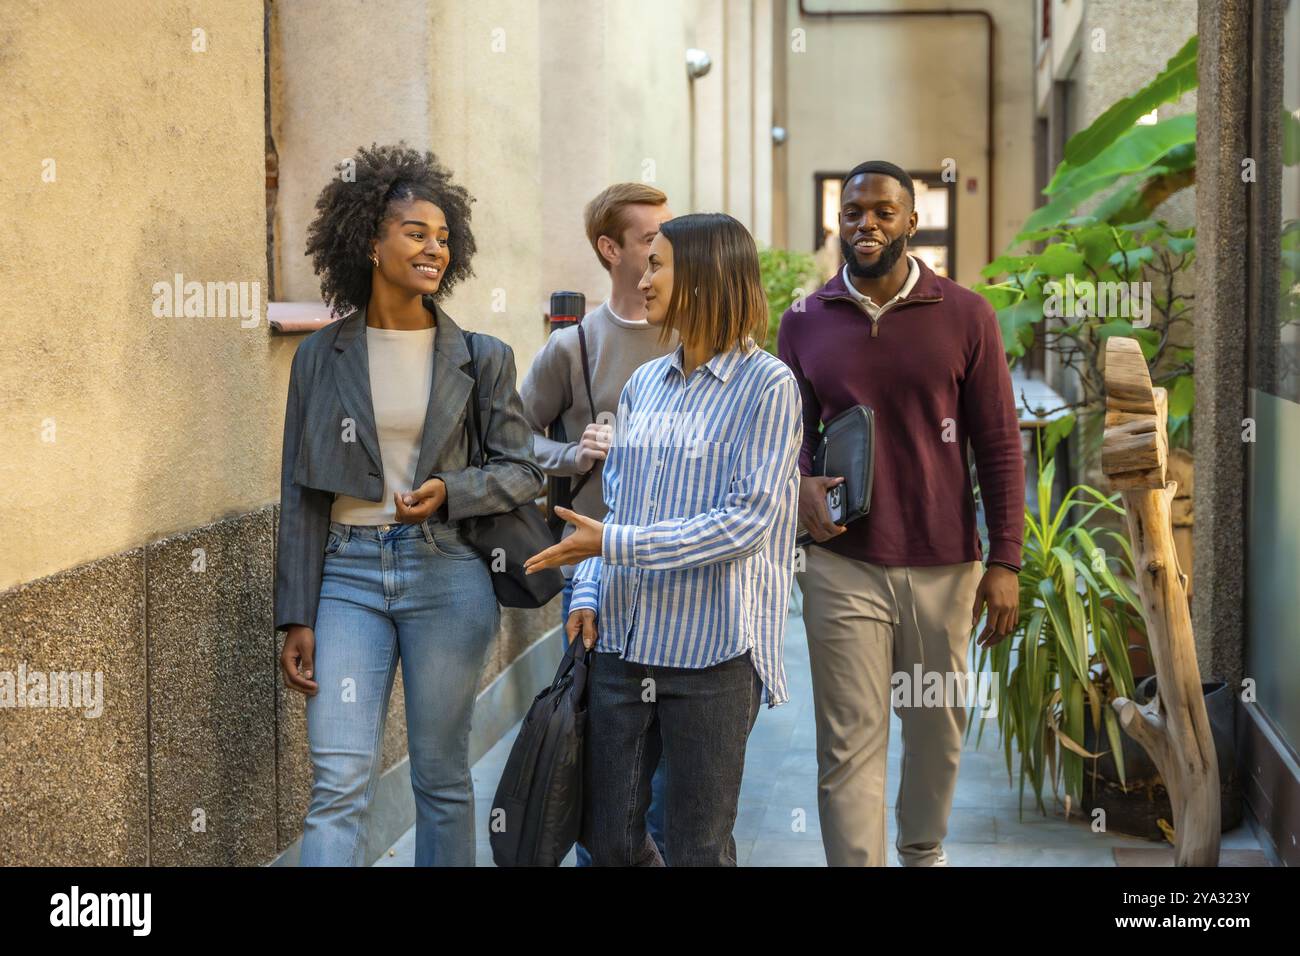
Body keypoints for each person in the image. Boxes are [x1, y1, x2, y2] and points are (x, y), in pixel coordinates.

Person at [275, 143, 543, 866]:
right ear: (370, 241)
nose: (434, 248)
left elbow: (524, 470)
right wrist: (296, 611)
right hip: (347, 579)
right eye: (415, 232)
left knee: (442, 777)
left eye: (443, 236)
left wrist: (454, 492)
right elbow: (300, 490)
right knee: (338, 781)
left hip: (448, 575)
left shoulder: (481, 356)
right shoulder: (319, 356)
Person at [524, 212, 803, 867]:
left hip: (713, 656)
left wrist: (611, 548)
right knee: (609, 841)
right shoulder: (645, 385)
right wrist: (590, 587)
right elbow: (615, 507)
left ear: (704, 277)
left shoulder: (768, 387)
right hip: (622, 644)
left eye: (657, 265)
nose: (642, 279)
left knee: (695, 845)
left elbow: (745, 523)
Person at [777, 160, 1024, 867]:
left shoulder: (967, 314)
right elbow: (786, 436)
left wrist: (1004, 559)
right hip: (841, 565)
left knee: (937, 732)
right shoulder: (803, 320)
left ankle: (923, 851)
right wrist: (798, 485)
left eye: (884, 212)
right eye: (853, 212)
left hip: (945, 564)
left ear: (911, 223)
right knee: (849, 740)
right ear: (839, 221)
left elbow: (1000, 444)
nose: (867, 224)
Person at [518, 182, 677, 865]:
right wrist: (570, 449)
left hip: (683, 568)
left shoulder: (692, 333)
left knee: (678, 765)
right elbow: (511, 436)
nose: (662, 249)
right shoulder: (573, 347)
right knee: (600, 752)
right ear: (610, 250)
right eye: (649, 238)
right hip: (596, 572)